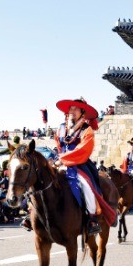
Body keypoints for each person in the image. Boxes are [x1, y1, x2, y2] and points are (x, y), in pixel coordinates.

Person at [24, 97, 111, 235]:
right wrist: (55, 160)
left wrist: (63, 160)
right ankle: (32, 213)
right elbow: (59, 146)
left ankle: (92, 218)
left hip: (79, 164)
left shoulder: (86, 130)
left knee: (86, 186)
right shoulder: (61, 128)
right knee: (39, 181)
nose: (72, 111)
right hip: (61, 162)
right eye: (71, 108)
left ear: (83, 112)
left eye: (76, 109)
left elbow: (83, 150)